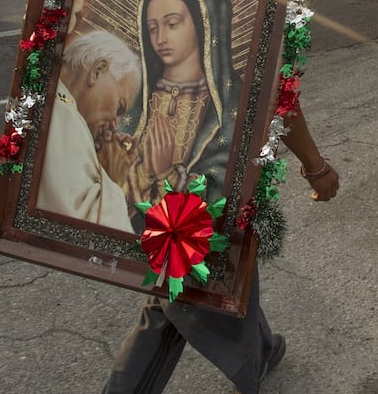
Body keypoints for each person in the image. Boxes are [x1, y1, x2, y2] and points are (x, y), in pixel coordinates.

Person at [103, 104, 339, 394]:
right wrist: (316, 166)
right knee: (177, 295)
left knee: (219, 269)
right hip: (199, 181)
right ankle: (254, 355)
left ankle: (259, 350)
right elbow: (280, 97)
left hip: (189, 175)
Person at [121, 0, 243, 208]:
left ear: (202, 21)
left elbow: (222, 192)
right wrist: (145, 173)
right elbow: (106, 185)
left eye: (173, 24)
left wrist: (166, 174)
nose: (160, 39)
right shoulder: (135, 98)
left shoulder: (231, 103)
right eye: (152, 28)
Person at [36, 30, 142, 231]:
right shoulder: (64, 117)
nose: (115, 123)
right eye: (119, 107)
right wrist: (113, 178)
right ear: (98, 71)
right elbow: (86, 233)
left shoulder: (55, 101)